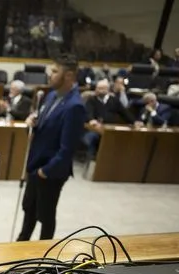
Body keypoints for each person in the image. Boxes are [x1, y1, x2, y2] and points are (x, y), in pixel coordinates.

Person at [17, 54, 86, 241]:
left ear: (69, 75)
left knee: (46, 216)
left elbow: (67, 149)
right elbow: (43, 127)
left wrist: (45, 172)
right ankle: (21, 244)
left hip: (50, 171)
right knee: (29, 210)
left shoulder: (75, 106)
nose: (50, 75)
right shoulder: (51, 95)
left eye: (55, 71)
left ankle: (45, 252)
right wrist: (32, 123)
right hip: (35, 164)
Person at [83, 79, 134, 159]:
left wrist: (134, 121)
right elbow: (88, 113)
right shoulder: (92, 100)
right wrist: (91, 120)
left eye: (101, 88)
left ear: (107, 89)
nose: (98, 90)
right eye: (97, 88)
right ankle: (91, 160)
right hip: (96, 129)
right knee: (91, 138)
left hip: (111, 129)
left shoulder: (114, 100)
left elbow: (125, 113)